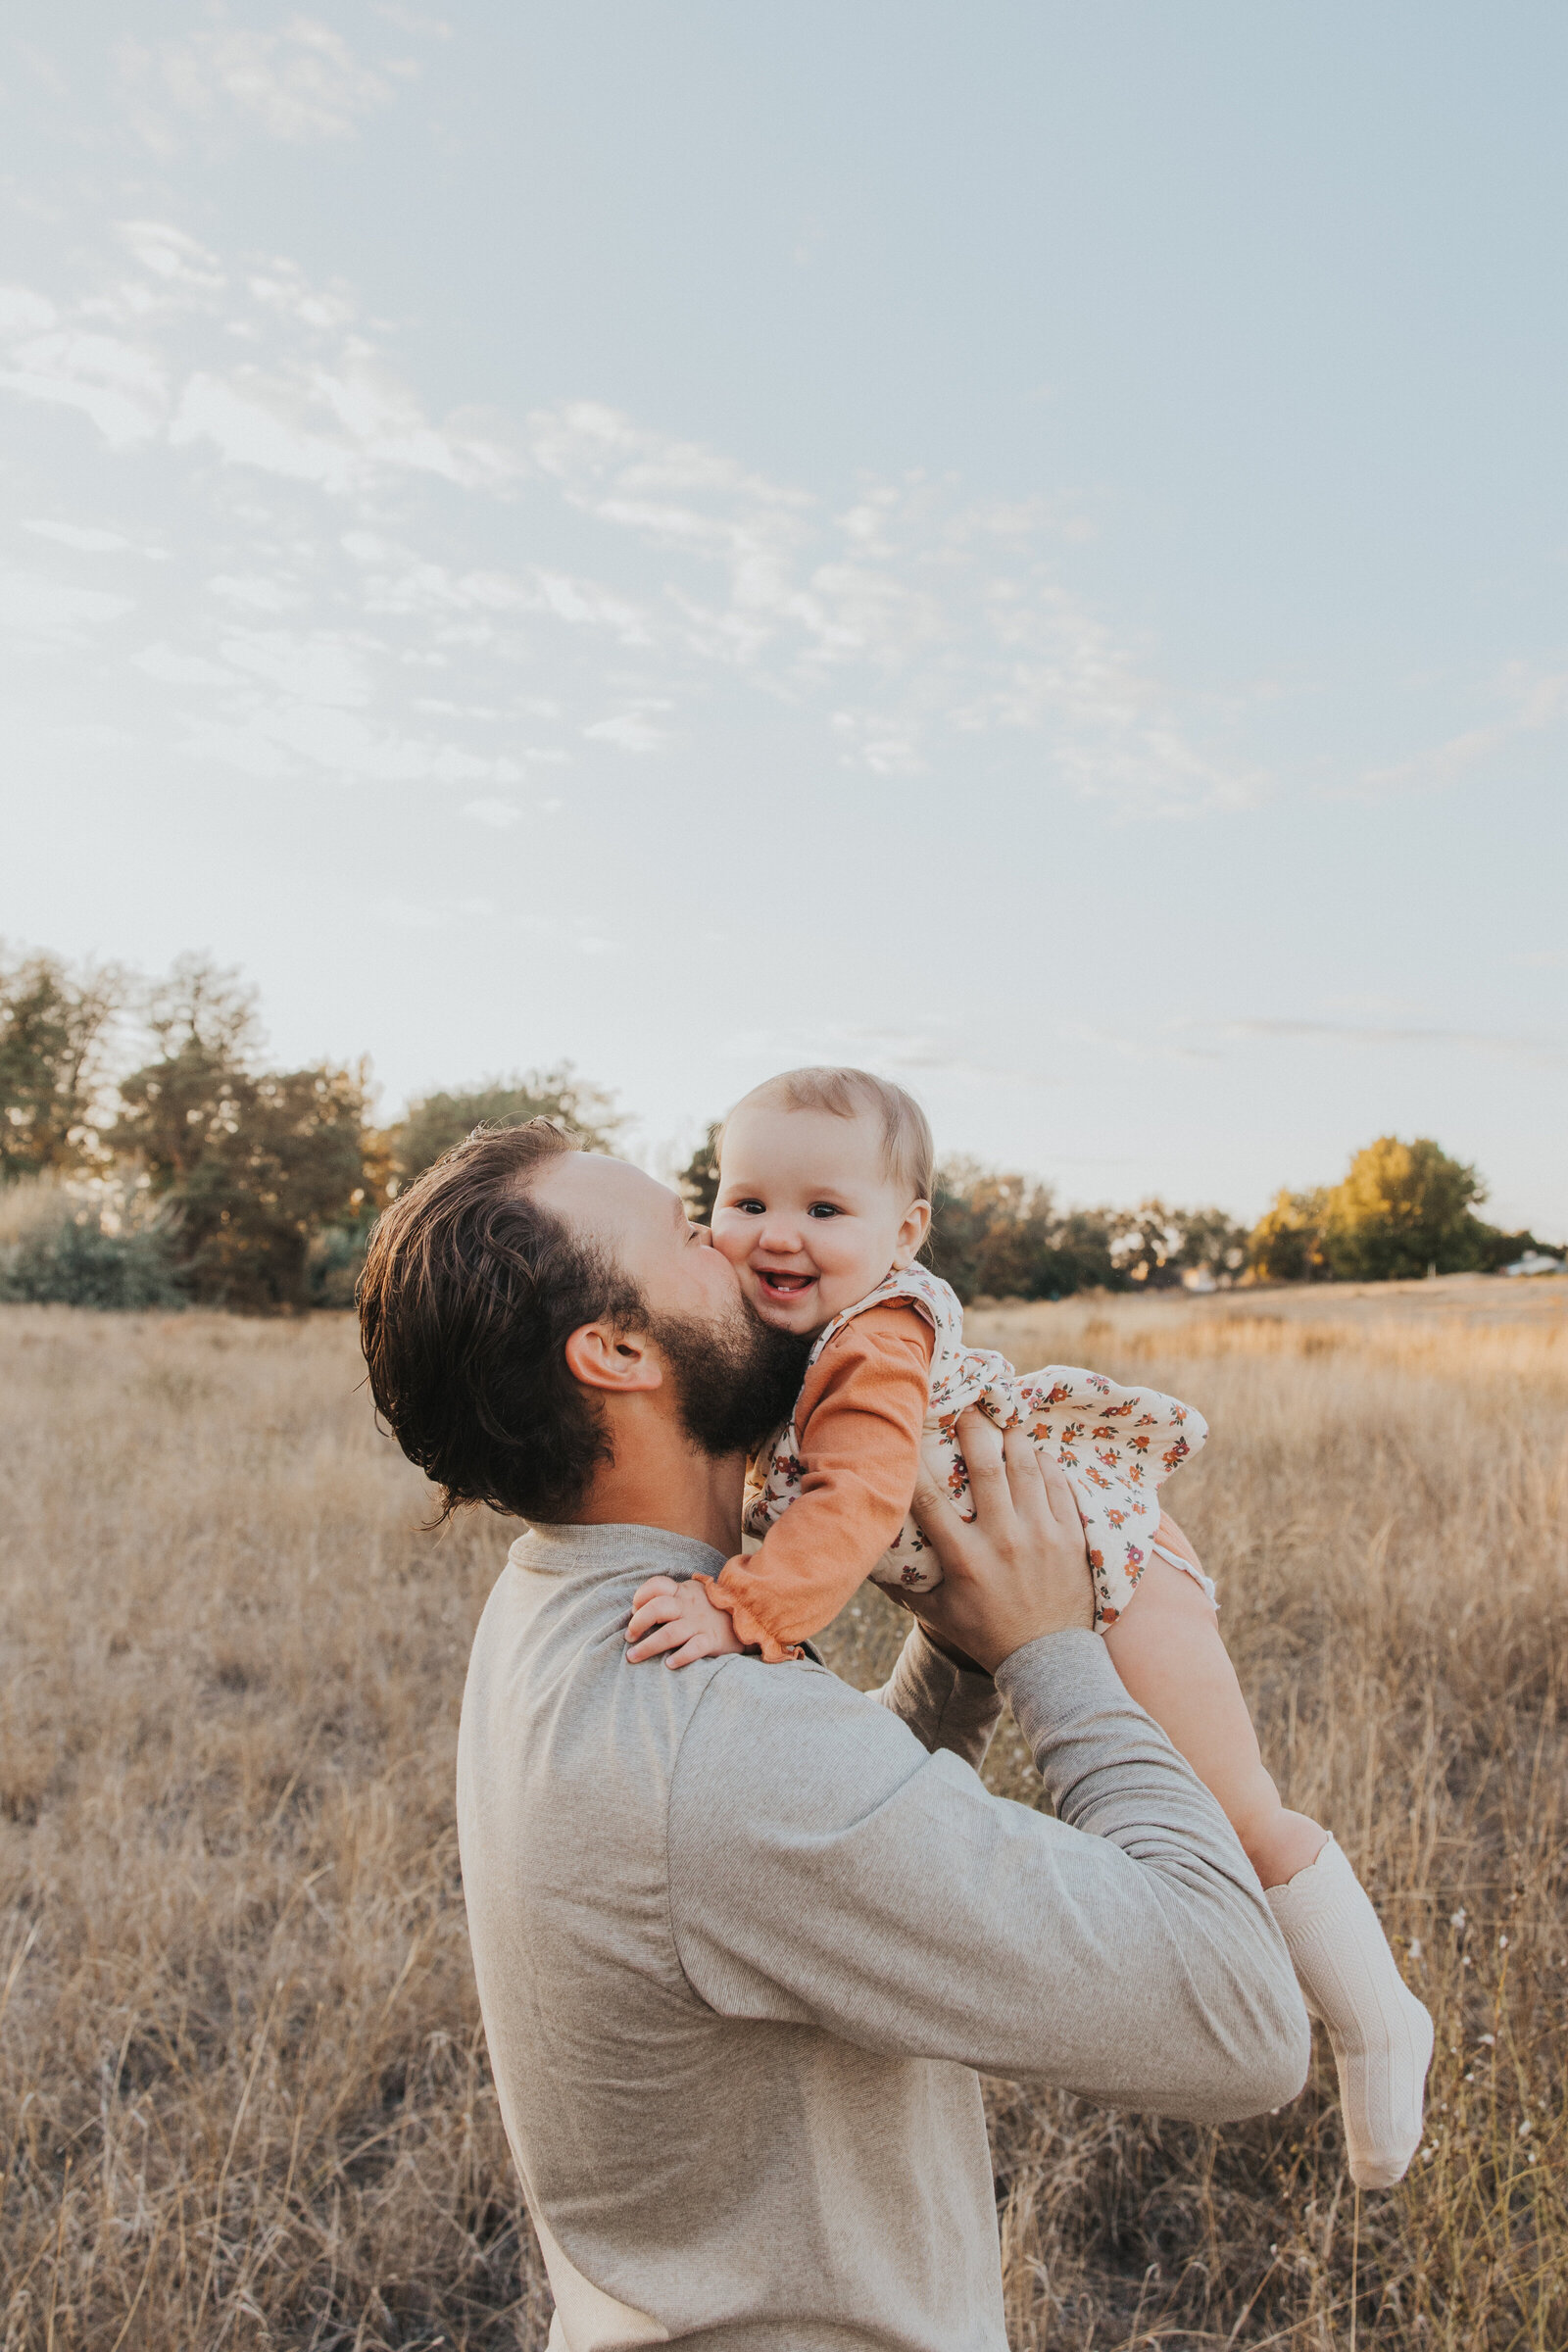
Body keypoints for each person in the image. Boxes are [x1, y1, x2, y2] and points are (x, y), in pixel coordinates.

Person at [360, 1117, 1308, 2350]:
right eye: (688, 1234)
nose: (742, 1241)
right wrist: (1053, 1653)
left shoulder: (565, 1597)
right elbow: (1239, 2024)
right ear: (617, 1351)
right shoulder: (717, 1739)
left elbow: (798, 1852)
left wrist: (961, 1645)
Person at [627, 1067, 1433, 2192]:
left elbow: (858, 1499)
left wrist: (739, 1605)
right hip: (1041, 1564)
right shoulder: (773, 1322)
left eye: (824, 1211)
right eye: (746, 1201)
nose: (777, 1237)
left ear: (903, 1234)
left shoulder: (875, 1340)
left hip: (1113, 1569)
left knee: (1236, 1815)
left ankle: (1380, 2020)